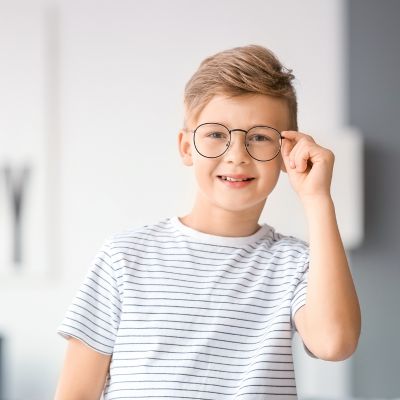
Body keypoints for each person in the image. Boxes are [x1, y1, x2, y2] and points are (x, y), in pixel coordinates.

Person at [54, 44, 361, 399]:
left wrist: (317, 198)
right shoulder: (125, 256)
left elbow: (334, 343)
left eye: (260, 137)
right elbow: (75, 393)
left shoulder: (296, 265)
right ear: (186, 147)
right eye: (216, 134)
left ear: (286, 151)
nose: (236, 156)